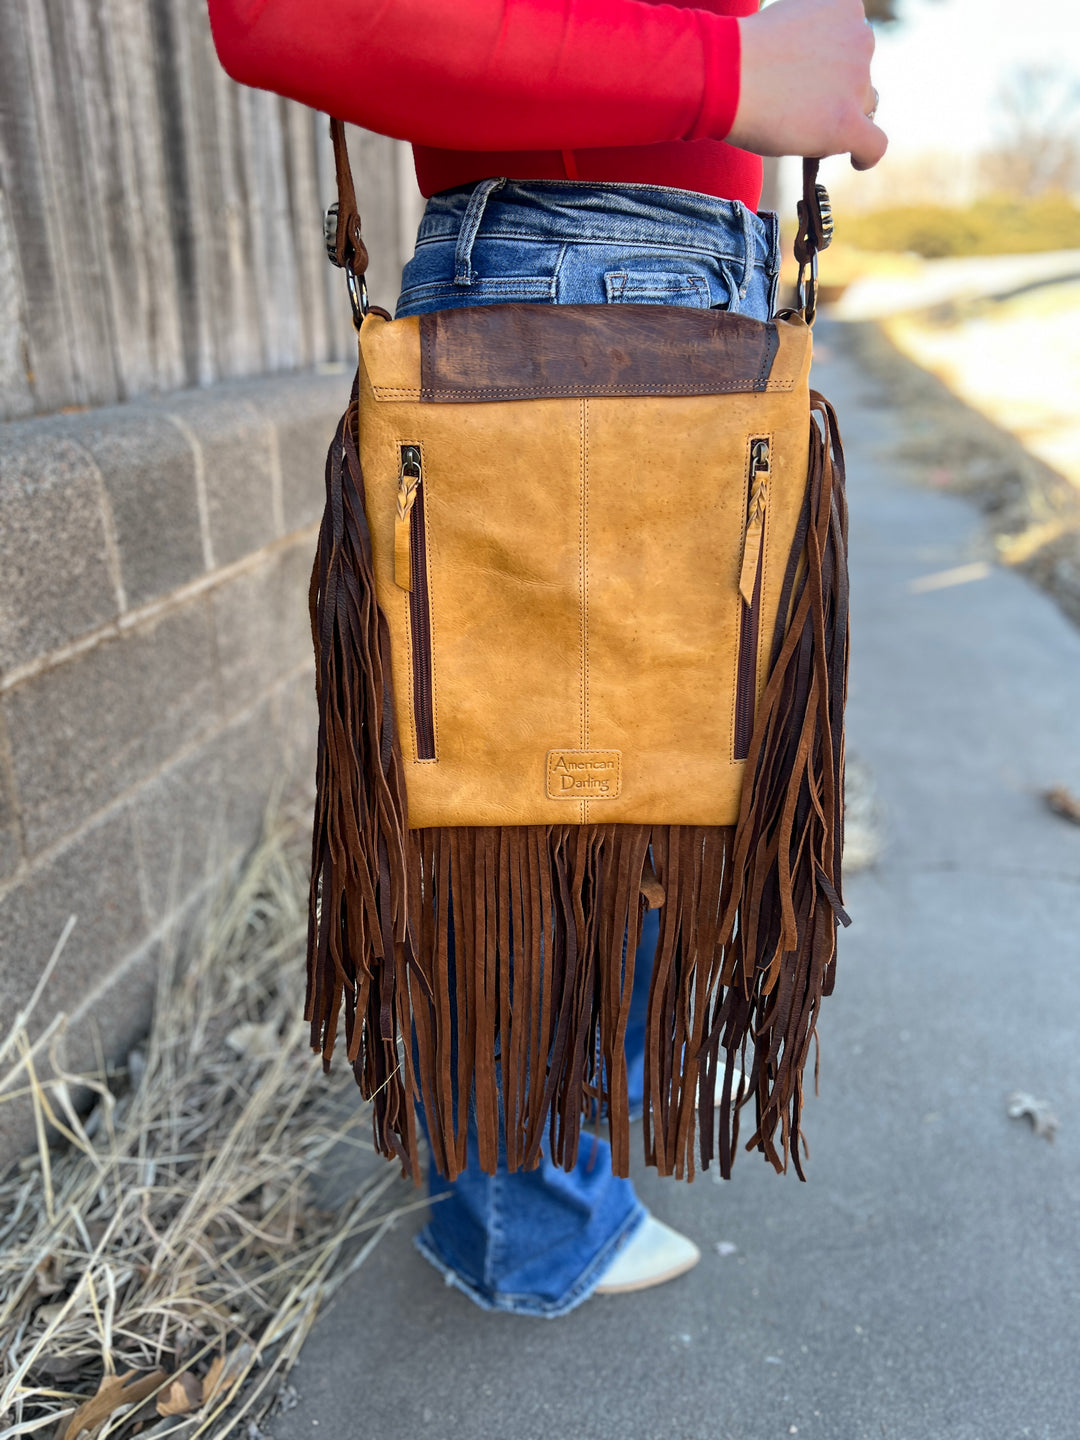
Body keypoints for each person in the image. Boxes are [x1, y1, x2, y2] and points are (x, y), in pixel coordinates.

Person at [208, 0, 886, 1317]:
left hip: (664, 272)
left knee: (623, 801)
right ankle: (532, 1224)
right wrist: (729, 69)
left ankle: (536, 1190)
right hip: (585, 271)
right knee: (537, 813)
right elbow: (281, 16)